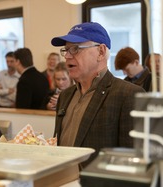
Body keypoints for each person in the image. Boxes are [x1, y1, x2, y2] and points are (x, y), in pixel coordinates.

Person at [51, 22, 145, 168]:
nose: (67, 56)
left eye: (75, 49)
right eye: (66, 50)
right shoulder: (65, 96)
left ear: (101, 52)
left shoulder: (129, 95)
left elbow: (133, 164)